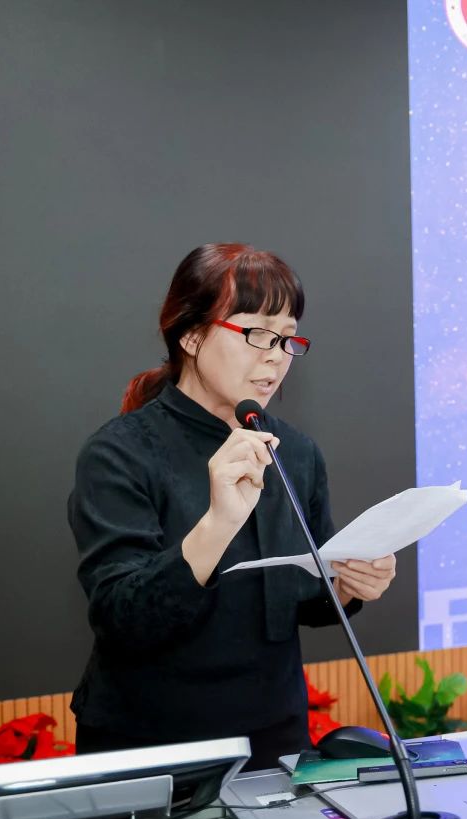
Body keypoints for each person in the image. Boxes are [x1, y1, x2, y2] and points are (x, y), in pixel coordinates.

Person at [68, 243, 395, 770]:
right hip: (152, 740)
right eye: (257, 334)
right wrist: (219, 522)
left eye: (288, 338)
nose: (276, 355)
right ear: (191, 335)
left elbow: (299, 599)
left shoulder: (295, 451)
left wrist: (349, 584)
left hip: (274, 733)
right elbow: (123, 619)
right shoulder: (119, 453)